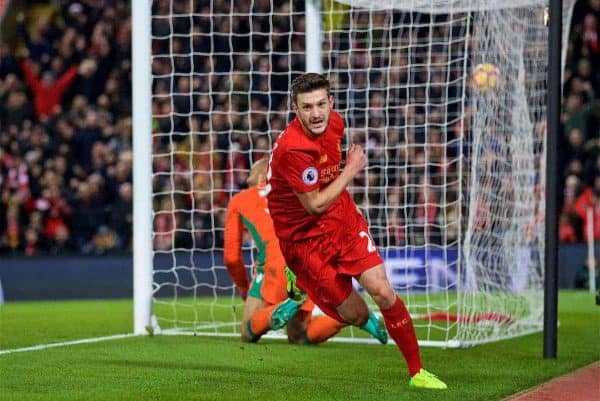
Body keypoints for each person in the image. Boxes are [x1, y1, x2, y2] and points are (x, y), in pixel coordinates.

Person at [266, 73, 447, 389]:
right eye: (307, 107)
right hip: (303, 240)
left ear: (331, 103)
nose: (316, 113)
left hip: (341, 220)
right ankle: (300, 283)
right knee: (356, 315)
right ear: (295, 109)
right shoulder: (293, 150)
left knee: (383, 291)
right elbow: (314, 206)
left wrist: (351, 207)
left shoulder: (336, 124)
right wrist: (352, 170)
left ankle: (417, 372)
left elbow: (329, 176)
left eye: (322, 104)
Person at [224, 158, 387, 344]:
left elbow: (231, 258)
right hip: (308, 263)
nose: (248, 181)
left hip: (276, 265)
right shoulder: (299, 193)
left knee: (247, 331)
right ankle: (357, 317)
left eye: (250, 176)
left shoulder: (240, 200)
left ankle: (279, 310)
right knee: (299, 336)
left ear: (257, 176)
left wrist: (244, 288)